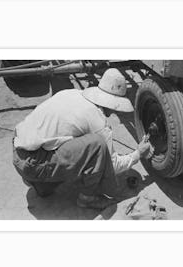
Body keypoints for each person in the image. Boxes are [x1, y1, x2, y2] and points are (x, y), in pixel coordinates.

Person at [13, 68, 151, 209]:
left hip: (18, 149)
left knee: (76, 141)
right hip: (32, 163)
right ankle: (87, 198)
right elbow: (114, 166)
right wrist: (138, 154)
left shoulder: (71, 93)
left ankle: (40, 183)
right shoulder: (98, 121)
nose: (115, 111)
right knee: (97, 146)